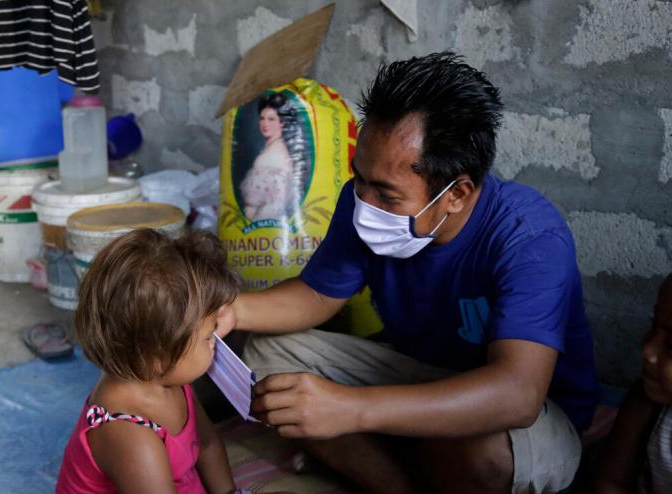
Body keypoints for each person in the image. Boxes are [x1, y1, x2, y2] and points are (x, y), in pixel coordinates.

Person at [218, 52, 600, 493]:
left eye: (387, 194)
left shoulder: (529, 236)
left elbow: (517, 394)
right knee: (268, 353)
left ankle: (378, 446)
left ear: (457, 194)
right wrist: (227, 310)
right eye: (359, 179)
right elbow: (317, 296)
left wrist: (352, 410)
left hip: (527, 417)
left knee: (481, 449)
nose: (365, 202)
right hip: (422, 375)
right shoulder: (363, 198)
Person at [56, 229, 244, 494]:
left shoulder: (169, 377)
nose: (215, 339)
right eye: (207, 336)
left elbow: (206, 444)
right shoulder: (130, 435)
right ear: (157, 354)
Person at [595, 275, 672, 493]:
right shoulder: (646, 403)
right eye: (653, 326)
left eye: (671, 345)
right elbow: (611, 482)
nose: (647, 351)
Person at [241, 93, 296, 221]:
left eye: (271, 119)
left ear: (282, 123)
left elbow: (275, 204)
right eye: (262, 118)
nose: (265, 124)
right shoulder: (270, 148)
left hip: (265, 221)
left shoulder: (275, 154)